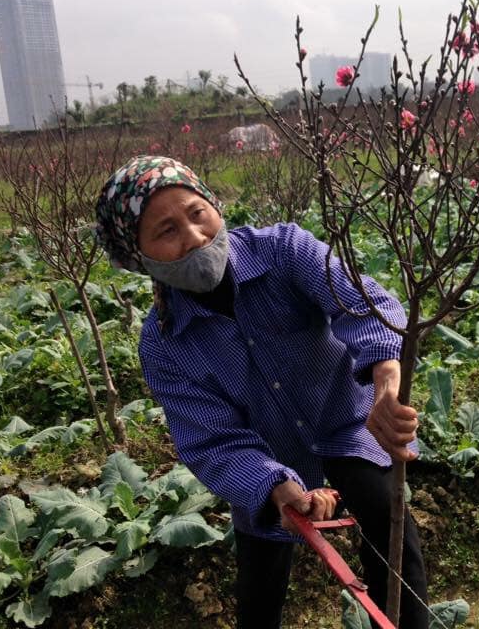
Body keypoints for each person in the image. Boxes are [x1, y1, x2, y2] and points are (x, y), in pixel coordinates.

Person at [95, 155, 429, 628]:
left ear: (214, 204)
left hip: (348, 428)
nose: (194, 237)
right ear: (138, 256)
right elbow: (213, 442)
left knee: (391, 537)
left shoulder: (284, 250)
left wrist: (385, 385)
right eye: (166, 231)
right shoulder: (164, 344)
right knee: (259, 591)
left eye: (196, 213)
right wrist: (274, 488)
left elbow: (364, 303)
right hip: (266, 461)